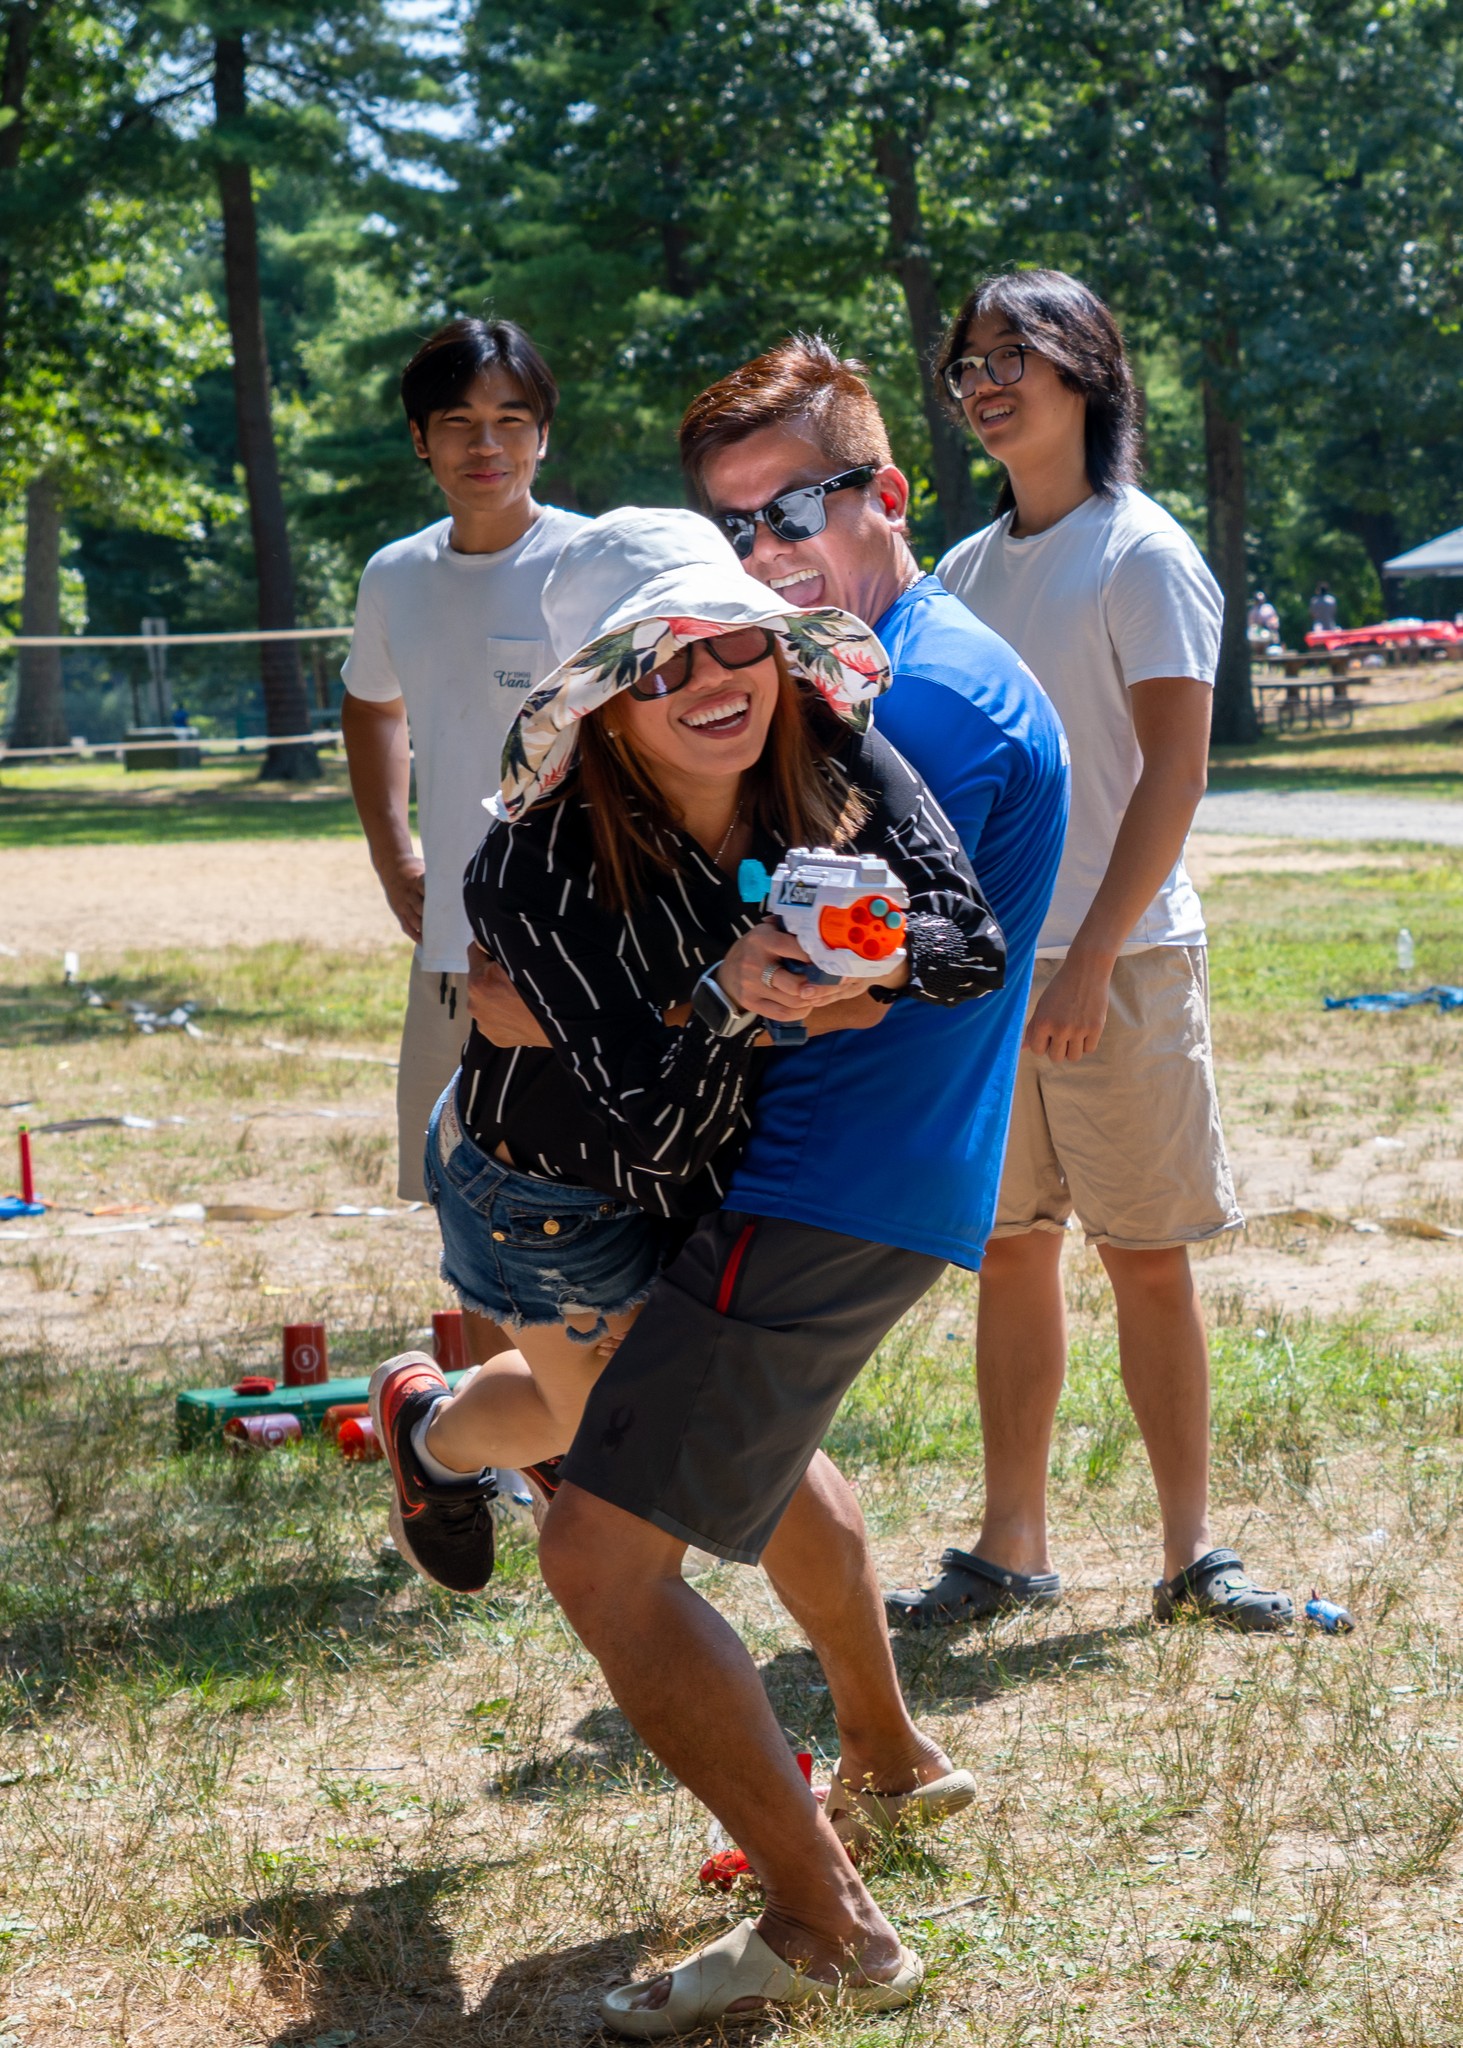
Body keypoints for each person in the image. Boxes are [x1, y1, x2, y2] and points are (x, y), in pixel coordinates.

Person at [519, 339, 1067, 2035]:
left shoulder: (910, 703)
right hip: (828, 1173)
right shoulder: (885, 667)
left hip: (815, 1178)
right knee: (771, 1472)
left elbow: (919, 947)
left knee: (598, 1560)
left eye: (791, 513)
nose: (761, 559)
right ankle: (888, 1756)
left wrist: (718, 993)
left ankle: (827, 1925)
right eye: (732, 528)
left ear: (884, 493)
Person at [369, 505, 1006, 1606]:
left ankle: (427, 1428)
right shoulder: (530, 865)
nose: (713, 677)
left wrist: (882, 960)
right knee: (629, 1443)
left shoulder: (831, 746)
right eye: (660, 663)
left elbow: (974, 945)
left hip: (709, 1161)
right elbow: (646, 1123)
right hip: (546, 1189)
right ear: (602, 706)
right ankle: (434, 1437)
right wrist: (744, 1000)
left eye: (734, 638)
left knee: (613, 1423)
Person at [885, 267, 1292, 1636]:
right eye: (967, 364)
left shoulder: (1141, 554)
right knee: (1006, 1250)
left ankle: (1190, 1554)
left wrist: (1086, 953)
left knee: (1143, 1255)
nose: (983, 384)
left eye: (1013, 355)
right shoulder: (955, 574)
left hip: (1120, 967)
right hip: (987, 978)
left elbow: (1174, 773)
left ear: (1086, 371)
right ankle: (1009, 1544)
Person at [341, 317, 584, 1221]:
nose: (486, 445)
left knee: (588, 1203)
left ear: (542, 435)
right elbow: (371, 704)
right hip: (452, 941)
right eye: (458, 422)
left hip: (586, 943)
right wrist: (392, 855)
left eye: (511, 420)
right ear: (420, 438)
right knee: (459, 1200)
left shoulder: (591, 564)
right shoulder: (394, 576)